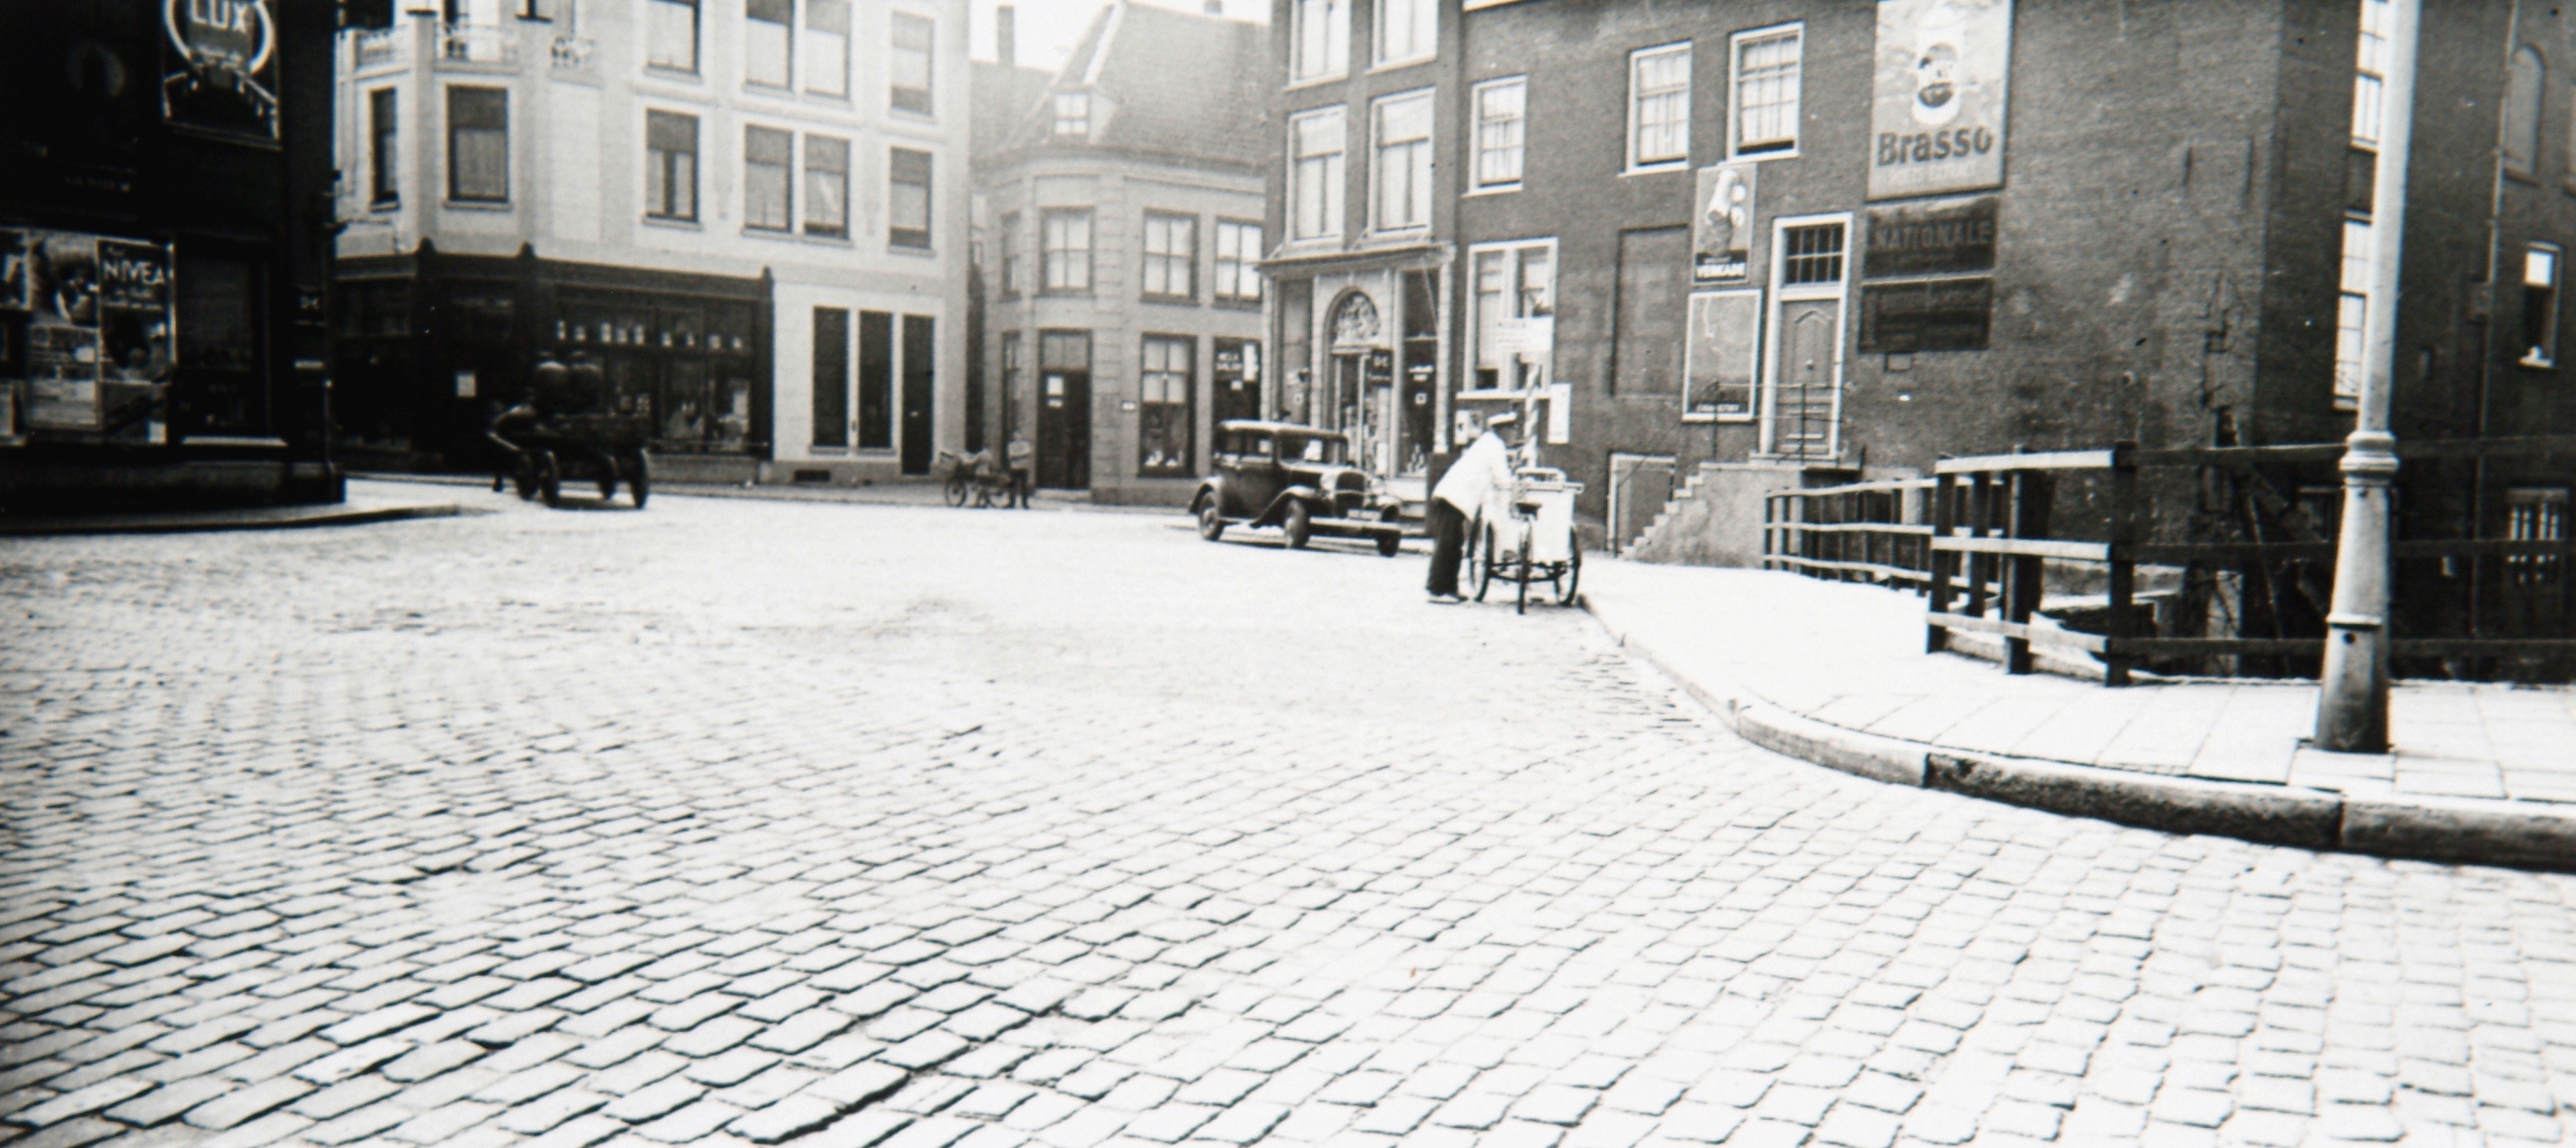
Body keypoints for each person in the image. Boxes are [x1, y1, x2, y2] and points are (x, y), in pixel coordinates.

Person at [1426, 412, 1519, 603]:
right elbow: (1501, 477)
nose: (1515, 434)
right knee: (1448, 544)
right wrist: (1515, 486)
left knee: (1454, 543)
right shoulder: (1494, 446)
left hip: (1453, 498)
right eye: (1512, 430)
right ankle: (1437, 590)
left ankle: (1449, 589)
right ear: (1503, 430)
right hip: (1454, 498)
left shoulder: (1487, 442)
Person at [1006, 432, 1034, 509]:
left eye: (1019, 436)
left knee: (1024, 486)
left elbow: (1028, 453)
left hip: (1024, 468)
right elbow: (1011, 455)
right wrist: (1022, 455)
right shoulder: (1011, 445)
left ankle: (1025, 504)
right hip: (1014, 468)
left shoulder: (1026, 445)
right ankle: (1011, 503)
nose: (1017, 438)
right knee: (1012, 485)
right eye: (1015, 436)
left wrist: (1017, 456)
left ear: (1021, 436)